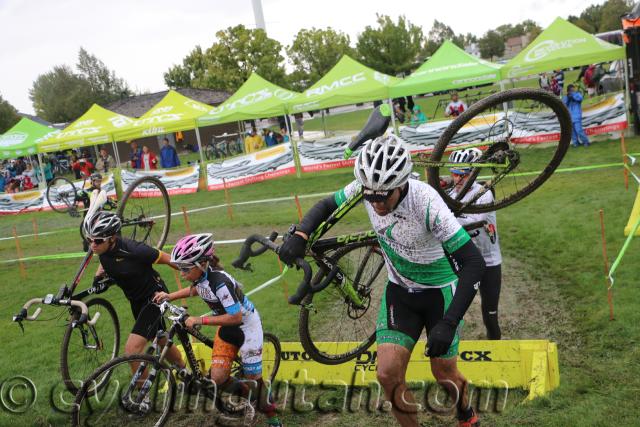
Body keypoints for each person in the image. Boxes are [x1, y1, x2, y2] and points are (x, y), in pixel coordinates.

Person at [278, 135, 484, 427]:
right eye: (369, 196)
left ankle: (466, 412)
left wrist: (449, 323)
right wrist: (301, 234)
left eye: (382, 196)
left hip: (440, 293)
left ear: (400, 184)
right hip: (400, 290)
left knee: (444, 372)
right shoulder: (368, 187)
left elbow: (474, 263)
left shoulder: (426, 202)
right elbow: (326, 205)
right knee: (387, 374)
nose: (375, 203)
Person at [152, 234, 283, 427]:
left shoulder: (220, 282)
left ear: (201, 264)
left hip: (247, 327)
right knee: (218, 378)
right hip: (229, 327)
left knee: (256, 380)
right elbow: (197, 290)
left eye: (185, 268)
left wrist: (200, 320)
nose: (181, 273)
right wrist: (170, 296)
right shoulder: (203, 276)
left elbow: (236, 317)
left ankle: (273, 419)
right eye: (180, 267)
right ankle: (250, 397)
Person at [84, 211, 186, 412]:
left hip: (154, 297)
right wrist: (99, 278)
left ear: (112, 238)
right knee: (161, 339)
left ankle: (144, 398)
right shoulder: (103, 251)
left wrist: (194, 274)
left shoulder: (135, 250)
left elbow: (168, 259)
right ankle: (184, 372)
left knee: (132, 350)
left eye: (97, 240)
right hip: (136, 300)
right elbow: (106, 264)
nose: (92, 245)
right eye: (88, 240)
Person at [447, 148, 503, 340]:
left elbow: (472, 223)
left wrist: (446, 217)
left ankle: (496, 350)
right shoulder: (450, 194)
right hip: (465, 262)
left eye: (462, 175)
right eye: (454, 174)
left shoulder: (484, 192)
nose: (457, 179)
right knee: (452, 312)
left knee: (490, 315)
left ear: (473, 173)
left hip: (489, 261)